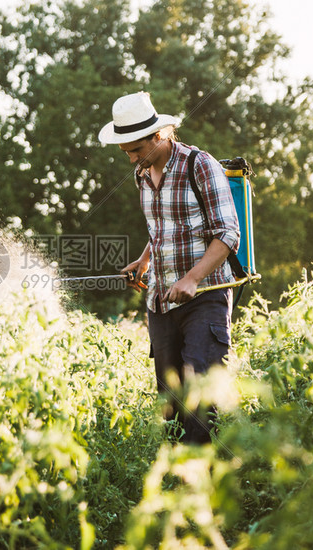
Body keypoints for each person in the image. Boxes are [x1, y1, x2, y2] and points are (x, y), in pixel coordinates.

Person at [98, 91, 240, 444]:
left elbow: (228, 233)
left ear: (159, 135)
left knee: (199, 392)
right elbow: (163, 227)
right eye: (126, 152)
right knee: (171, 404)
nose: (131, 158)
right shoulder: (142, 174)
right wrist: (145, 260)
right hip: (161, 303)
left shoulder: (199, 165)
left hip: (204, 296)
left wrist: (192, 279)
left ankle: (203, 486)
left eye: (136, 149)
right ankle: (177, 483)